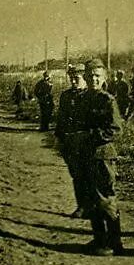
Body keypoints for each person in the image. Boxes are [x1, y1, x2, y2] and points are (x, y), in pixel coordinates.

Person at [77, 59, 124, 255]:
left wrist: (91, 135)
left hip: (103, 156)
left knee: (105, 199)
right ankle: (99, 240)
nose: (93, 80)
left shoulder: (108, 100)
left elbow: (115, 129)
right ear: (85, 78)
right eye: (90, 76)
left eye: (97, 76)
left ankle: (114, 243)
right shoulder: (83, 98)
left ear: (104, 79)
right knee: (91, 198)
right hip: (87, 155)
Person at [54, 64, 88, 218]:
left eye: (77, 78)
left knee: (92, 177)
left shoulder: (93, 96)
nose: (73, 82)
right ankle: (82, 206)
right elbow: (61, 119)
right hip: (71, 143)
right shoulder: (66, 96)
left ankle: (94, 208)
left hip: (89, 143)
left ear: (85, 78)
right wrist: (59, 139)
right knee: (77, 175)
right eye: (71, 78)